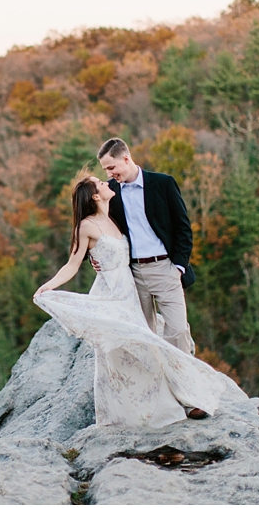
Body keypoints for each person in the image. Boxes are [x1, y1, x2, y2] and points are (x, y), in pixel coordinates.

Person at [34, 176, 239, 427]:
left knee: (143, 347)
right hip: (111, 292)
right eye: (100, 183)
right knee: (123, 353)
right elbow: (73, 263)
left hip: (130, 289)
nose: (107, 182)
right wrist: (50, 285)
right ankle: (129, 413)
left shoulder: (113, 216)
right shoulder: (86, 226)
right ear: (95, 196)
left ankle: (165, 401)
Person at [96, 137, 196, 356]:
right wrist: (94, 257)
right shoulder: (109, 191)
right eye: (105, 170)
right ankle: (154, 377)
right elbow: (96, 225)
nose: (109, 174)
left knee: (178, 331)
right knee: (143, 335)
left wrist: (178, 267)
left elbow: (183, 227)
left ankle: (182, 378)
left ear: (126, 159)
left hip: (165, 269)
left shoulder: (163, 183)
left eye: (111, 167)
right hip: (131, 274)